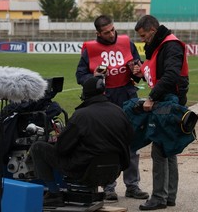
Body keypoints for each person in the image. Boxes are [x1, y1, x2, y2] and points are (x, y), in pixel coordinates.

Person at [75, 15, 149, 201]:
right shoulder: (90, 49)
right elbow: (80, 75)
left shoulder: (127, 42)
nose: (111, 34)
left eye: (112, 29)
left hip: (127, 96)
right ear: (98, 33)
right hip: (105, 100)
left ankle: (132, 185)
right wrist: (94, 77)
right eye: (106, 32)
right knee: (107, 144)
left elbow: (139, 67)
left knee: (132, 142)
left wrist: (137, 70)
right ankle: (109, 187)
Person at [30, 76, 134, 207]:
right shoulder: (119, 111)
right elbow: (130, 138)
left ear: (85, 94)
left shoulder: (81, 115)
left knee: (38, 147)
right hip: (113, 171)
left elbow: (61, 149)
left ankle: (53, 193)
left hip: (85, 171)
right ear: (103, 92)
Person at [132, 15, 189, 210]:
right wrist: (141, 72)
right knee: (168, 149)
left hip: (169, 103)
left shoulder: (170, 45)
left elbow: (171, 75)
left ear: (153, 31)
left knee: (159, 149)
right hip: (169, 100)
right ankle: (168, 196)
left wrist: (152, 97)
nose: (142, 40)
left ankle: (158, 197)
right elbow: (159, 71)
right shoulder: (161, 45)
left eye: (143, 35)